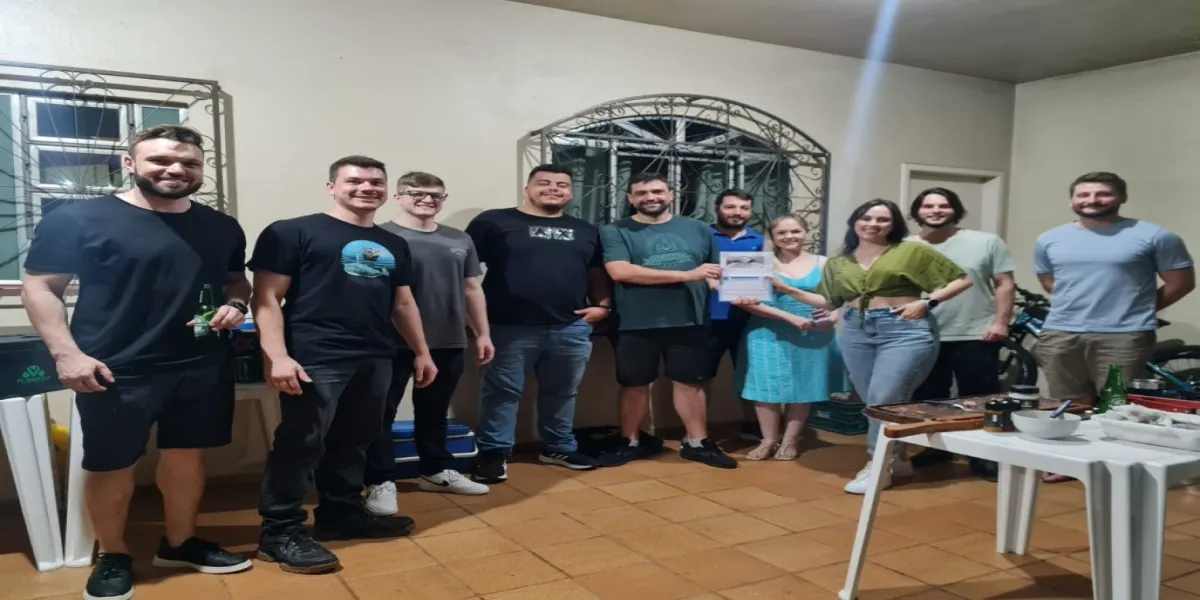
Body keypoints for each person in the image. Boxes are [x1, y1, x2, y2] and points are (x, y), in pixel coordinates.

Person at [21, 125, 253, 600]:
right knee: (112, 465)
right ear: (130, 164)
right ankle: (113, 555)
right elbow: (40, 286)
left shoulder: (221, 226)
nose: (176, 169)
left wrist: (237, 304)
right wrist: (66, 354)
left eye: (189, 163)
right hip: (114, 367)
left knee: (186, 458)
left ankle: (180, 543)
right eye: (161, 160)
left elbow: (236, 281)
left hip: (201, 362)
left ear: (201, 170)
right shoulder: (78, 218)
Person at [250, 155, 437, 574]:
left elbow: (403, 303)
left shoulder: (393, 243)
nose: (367, 188)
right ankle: (279, 532)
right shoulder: (291, 231)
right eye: (355, 181)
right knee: (302, 442)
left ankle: (340, 514)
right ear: (332, 187)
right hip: (315, 355)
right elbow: (265, 298)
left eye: (375, 182)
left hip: (376, 354)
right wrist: (277, 356)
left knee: (355, 438)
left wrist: (421, 351)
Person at [768, 199, 972, 494]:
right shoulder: (840, 261)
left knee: (882, 398)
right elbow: (829, 301)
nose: (873, 224)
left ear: (893, 225)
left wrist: (927, 302)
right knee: (876, 403)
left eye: (882, 219)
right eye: (866, 218)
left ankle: (877, 465)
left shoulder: (911, 251)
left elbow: (962, 280)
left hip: (904, 330)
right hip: (856, 330)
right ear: (855, 222)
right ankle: (898, 458)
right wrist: (787, 289)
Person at [1034, 171, 1194, 483]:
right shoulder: (1049, 238)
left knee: (1119, 405)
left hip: (1123, 334)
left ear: (1121, 197)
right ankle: (1072, 463)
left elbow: (1181, 283)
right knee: (1067, 402)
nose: (1092, 200)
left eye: (1102, 194)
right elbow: (1051, 283)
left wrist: (1139, 308)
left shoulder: (1155, 236)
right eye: (1083, 195)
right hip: (1060, 332)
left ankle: (1119, 467)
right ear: (1072, 200)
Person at [465, 164, 612, 484]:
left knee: (562, 392)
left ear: (570, 193)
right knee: (501, 393)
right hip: (507, 325)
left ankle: (558, 448)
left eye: (562, 185)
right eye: (544, 183)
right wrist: (472, 319)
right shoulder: (493, 221)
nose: (553, 189)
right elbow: (464, 271)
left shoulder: (586, 229)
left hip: (570, 327)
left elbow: (596, 272)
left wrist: (602, 306)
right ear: (527, 189)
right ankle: (494, 453)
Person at [363, 171, 492, 511]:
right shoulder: (379, 236)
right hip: (390, 342)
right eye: (417, 193)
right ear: (398, 197)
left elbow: (471, 288)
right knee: (379, 413)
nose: (427, 199)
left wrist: (483, 333)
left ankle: (435, 470)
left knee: (434, 410)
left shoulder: (459, 239)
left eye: (435, 195)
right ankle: (379, 479)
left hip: (448, 339)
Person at [597, 172, 737, 469]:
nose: (651, 197)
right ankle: (630, 442)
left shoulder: (699, 229)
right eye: (642, 193)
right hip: (634, 322)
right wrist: (688, 274)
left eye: (658, 191)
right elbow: (621, 272)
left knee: (691, 383)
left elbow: (712, 274)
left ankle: (697, 443)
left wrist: (738, 293)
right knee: (634, 384)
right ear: (631, 198)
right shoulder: (615, 230)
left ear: (671, 194)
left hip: (690, 320)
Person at [907, 188, 1015, 480]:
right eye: (928, 205)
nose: (935, 210)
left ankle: (984, 456)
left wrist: (1001, 322)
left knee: (980, 397)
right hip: (922, 333)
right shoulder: (904, 246)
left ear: (955, 209)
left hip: (975, 332)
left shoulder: (986, 242)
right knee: (930, 397)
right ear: (917, 211)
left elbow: (1005, 284)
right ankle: (938, 448)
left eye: (943, 205)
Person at [733, 213, 850, 460]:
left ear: (805, 232)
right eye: (782, 233)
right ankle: (768, 440)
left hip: (812, 332)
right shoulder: (753, 262)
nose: (789, 236)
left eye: (795, 231)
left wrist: (833, 316)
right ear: (772, 237)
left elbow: (837, 299)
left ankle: (790, 440)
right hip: (766, 331)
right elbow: (748, 303)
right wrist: (789, 318)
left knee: (803, 386)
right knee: (764, 386)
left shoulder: (825, 263)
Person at [705, 189, 766, 441]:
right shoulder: (702, 236)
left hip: (750, 320)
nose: (737, 213)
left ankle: (754, 427)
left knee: (751, 375)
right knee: (701, 377)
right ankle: (698, 432)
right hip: (706, 319)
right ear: (717, 208)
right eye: (730, 207)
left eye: (744, 208)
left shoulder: (762, 241)